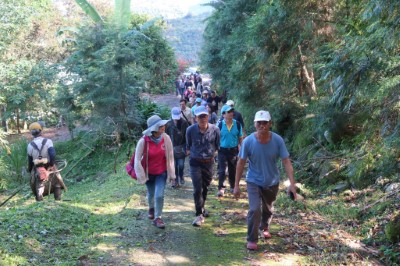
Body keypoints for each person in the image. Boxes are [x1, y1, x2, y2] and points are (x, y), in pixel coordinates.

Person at [233, 110, 297, 250]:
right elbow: (240, 163)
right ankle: (252, 239)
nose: (262, 125)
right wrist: (236, 185)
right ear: (255, 124)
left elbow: (286, 161)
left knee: (268, 209)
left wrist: (292, 184)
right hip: (253, 181)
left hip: (272, 181)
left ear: (270, 124)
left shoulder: (277, 140)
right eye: (259, 123)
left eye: (265, 123)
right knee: (255, 209)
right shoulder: (248, 141)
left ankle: (265, 226)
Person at [134, 115, 175, 229]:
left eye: (163, 125)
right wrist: (141, 176)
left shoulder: (166, 138)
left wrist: (172, 174)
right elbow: (137, 159)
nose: (163, 127)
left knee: (159, 195)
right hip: (148, 173)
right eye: (161, 126)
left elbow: (170, 157)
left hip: (161, 173)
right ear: (154, 129)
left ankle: (158, 218)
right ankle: (151, 208)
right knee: (151, 194)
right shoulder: (143, 141)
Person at [186, 106, 220, 226]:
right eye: (200, 116)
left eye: (204, 116)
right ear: (195, 118)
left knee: (205, 187)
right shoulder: (190, 130)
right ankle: (198, 214)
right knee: (197, 189)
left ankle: (202, 207)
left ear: (208, 116)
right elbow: (188, 145)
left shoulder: (215, 130)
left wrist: (211, 155)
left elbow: (217, 145)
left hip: (209, 163)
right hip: (195, 162)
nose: (202, 118)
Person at [27, 122, 66, 201]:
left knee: (38, 183)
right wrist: (52, 164)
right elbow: (52, 155)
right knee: (57, 181)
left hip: (37, 167)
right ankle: (58, 199)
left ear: (32, 133)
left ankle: (39, 199)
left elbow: (30, 161)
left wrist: (30, 170)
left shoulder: (30, 145)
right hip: (49, 165)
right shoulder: (48, 141)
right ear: (40, 131)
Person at [217, 105, 243, 197]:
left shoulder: (237, 124)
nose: (231, 113)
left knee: (233, 169)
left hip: (233, 150)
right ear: (223, 114)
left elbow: (240, 138)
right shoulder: (219, 125)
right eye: (228, 112)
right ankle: (221, 188)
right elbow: (216, 138)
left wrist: (242, 149)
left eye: (232, 111)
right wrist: (216, 149)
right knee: (222, 171)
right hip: (222, 150)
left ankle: (233, 186)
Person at [166, 107, 189, 187]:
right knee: (174, 165)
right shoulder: (168, 124)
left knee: (181, 164)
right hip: (171, 147)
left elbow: (187, 136)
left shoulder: (184, 123)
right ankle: (175, 180)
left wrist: (187, 147)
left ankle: (181, 175)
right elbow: (165, 136)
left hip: (181, 147)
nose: (176, 119)